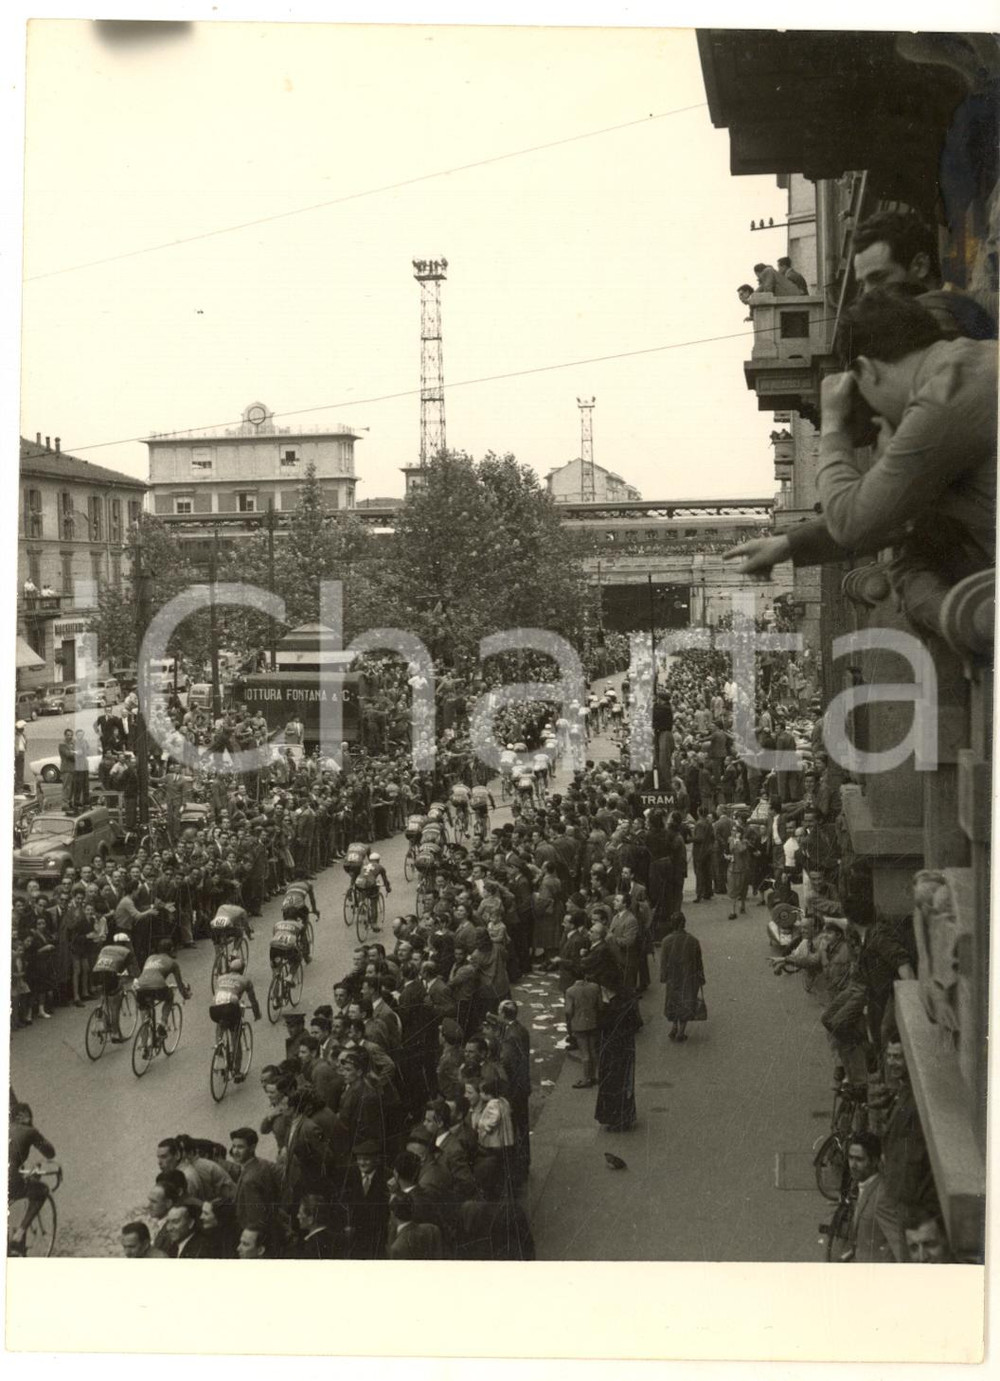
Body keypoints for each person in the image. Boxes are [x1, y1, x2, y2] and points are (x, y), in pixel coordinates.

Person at [724, 293, 996, 617]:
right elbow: (894, 509)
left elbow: (853, 523)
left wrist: (834, 424)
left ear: (865, 369)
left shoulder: (942, 402)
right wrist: (787, 545)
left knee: (920, 576)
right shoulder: (973, 359)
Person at [851, 208, 996, 339]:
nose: (866, 294)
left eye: (878, 278)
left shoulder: (988, 307)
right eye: (863, 283)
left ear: (920, 266)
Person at [844, 1131, 901, 1264]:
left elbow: (898, 1244)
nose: (852, 1165)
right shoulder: (862, 1186)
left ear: (875, 1161)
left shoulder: (883, 1195)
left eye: (859, 1159)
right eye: (850, 1158)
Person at [8, 1102, 56, 1254]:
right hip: (10, 1178)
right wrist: (34, 1130)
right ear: (23, 1116)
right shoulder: (29, 1131)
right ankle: (19, 1234)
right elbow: (50, 1153)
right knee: (41, 1191)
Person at [594, 984, 641, 1133]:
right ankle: (625, 1117)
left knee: (612, 1083)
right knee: (624, 1083)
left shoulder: (610, 1008)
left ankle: (615, 1119)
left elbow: (601, 1025)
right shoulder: (625, 1002)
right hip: (625, 1048)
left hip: (612, 1050)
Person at [209, 957, 261, 1082]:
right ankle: (236, 1071)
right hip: (231, 1007)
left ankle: (219, 1045)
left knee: (220, 1023)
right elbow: (253, 999)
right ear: (242, 970)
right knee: (235, 1037)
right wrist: (256, 1013)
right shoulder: (245, 980)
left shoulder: (220, 978)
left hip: (214, 1008)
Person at [659, 913, 705, 1043]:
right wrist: (701, 978)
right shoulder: (693, 940)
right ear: (684, 923)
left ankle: (674, 1026)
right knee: (686, 1001)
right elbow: (698, 961)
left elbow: (663, 962)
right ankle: (681, 1031)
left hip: (673, 977)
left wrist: (663, 977)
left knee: (673, 1000)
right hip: (688, 976)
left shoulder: (666, 941)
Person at [132, 940, 191, 1039]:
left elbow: (148, 975)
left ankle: (144, 1046)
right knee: (170, 996)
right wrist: (186, 995)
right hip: (157, 987)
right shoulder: (173, 963)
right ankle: (162, 1023)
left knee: (145, 1015)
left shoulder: (150, 958)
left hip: (140, 987)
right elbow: (180, 985)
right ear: (171, 950)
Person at [90, 932, 138, 1042]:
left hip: (96, 975)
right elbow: (130, 969)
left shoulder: (105, 948)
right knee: (115, 1006)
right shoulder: (127, 952)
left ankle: (102, 1017)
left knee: (105, 996)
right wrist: (135, 978)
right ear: (126, 943)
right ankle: (115, 1033)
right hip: (110, 976)